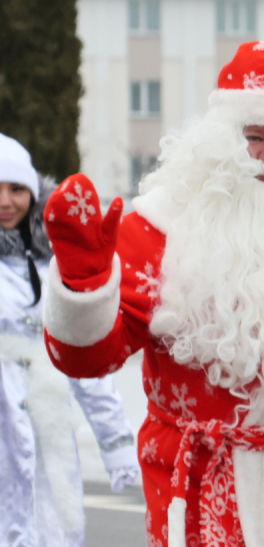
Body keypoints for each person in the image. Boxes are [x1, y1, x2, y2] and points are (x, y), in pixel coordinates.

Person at [41, 42, 264, 547]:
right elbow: (87, 359)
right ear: (221, 142)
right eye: (254, 138)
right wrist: (84, 285)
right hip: (200, 489)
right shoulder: (156, 231)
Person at [0, 132, 139, 547]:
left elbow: (83, 358)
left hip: (49, 432)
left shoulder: (56, 267)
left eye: (17, 189)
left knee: (53, 529)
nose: (6, 201)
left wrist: (115, 444)